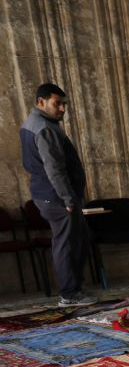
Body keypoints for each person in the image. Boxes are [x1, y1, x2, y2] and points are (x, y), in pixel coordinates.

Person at [19, 82, 95, 307]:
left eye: (64, 104)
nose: (62, 109)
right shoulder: (43, 127)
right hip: (57, 196)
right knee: (67, 243)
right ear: (41, 102)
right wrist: (68, 199)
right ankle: (70, 294)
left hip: (52, 194)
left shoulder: (38, 124)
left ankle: (75, 289)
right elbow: (54, 168)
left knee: (78, 239)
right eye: (57, 104)